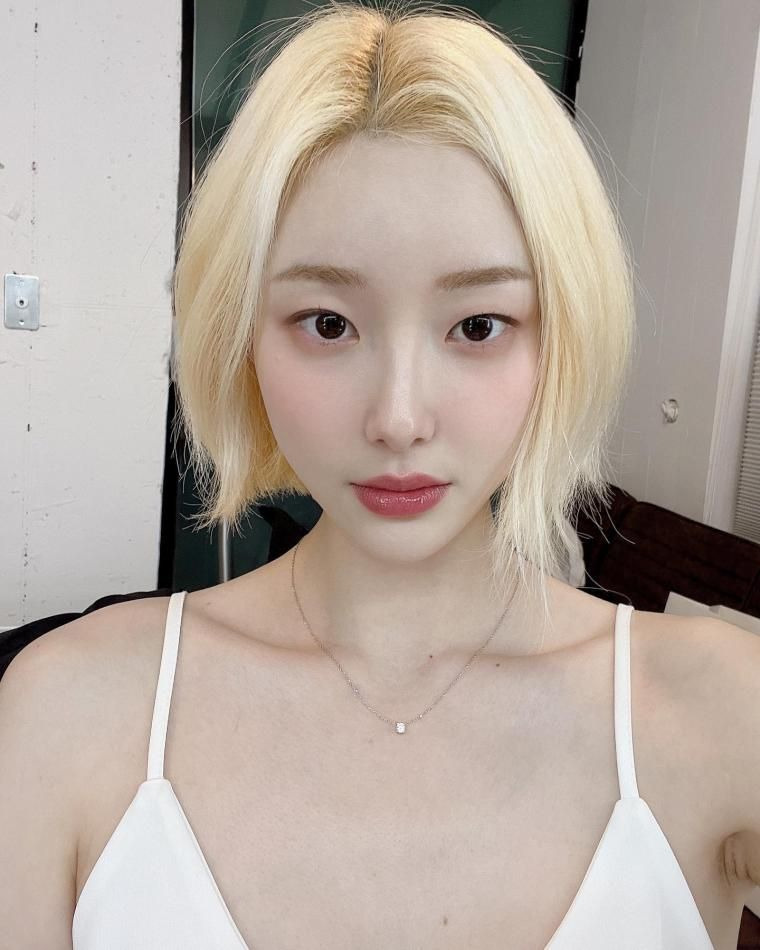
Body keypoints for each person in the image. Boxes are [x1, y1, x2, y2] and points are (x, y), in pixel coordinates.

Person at [2, 2, 758, 947]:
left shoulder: (721, 710)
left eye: (478, 326)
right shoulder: (66, 710)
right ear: (240, 335)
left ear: (564, 333)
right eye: (328, 324)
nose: (398, 418)